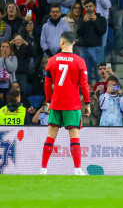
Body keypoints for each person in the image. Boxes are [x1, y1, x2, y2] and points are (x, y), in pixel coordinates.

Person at [40, 31, 90, 175]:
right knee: (74, 135)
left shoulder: (52, 60)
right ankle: (77, 169)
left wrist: (49, 101)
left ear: (61, 42)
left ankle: (43, 169)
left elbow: (47, 84)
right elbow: (84, 84)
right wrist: (87, 103)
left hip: (56, 103)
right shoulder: (80, 61)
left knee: (51, 134)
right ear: (73, 42)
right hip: (72, 104)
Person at [76, 0, 107, 82]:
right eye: (86, 7)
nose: (88, 8)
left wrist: (95, 20)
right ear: (84, 8)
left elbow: (101, 31)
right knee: (85, 74)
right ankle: (86, 94)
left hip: (97, 49)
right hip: (84, 49)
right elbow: (79, 33)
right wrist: (85, 22)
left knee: (99, 73)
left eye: (90, 6)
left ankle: (100, 94)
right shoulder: (81, 20)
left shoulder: (101, 19)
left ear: (94, 7)